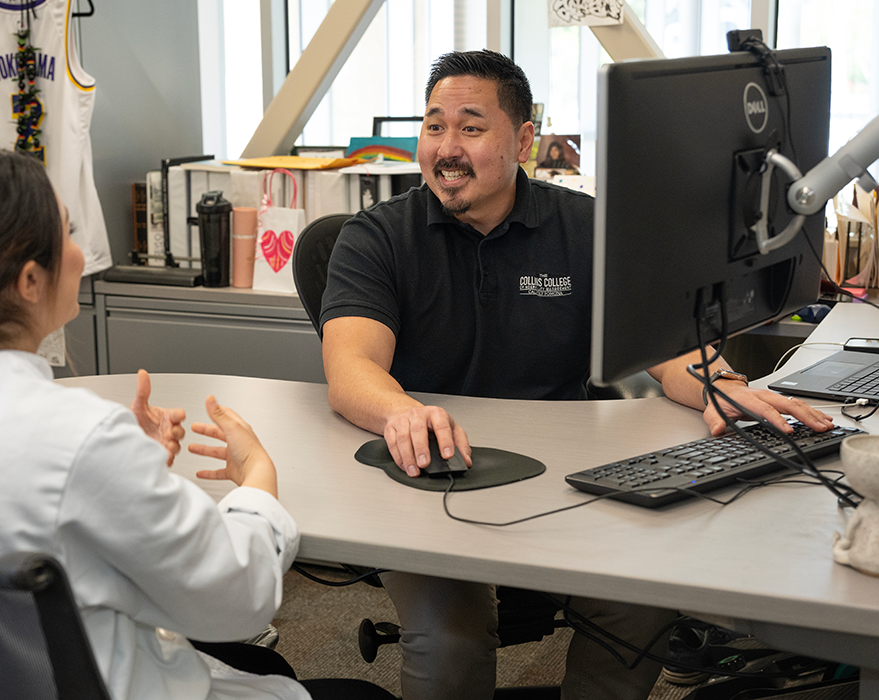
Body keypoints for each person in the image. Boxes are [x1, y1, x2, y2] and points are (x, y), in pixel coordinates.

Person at [319, 50, 835, 700]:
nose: (447, 149)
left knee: (643, 603)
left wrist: (725, 389)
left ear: (524, 139)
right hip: (431, 477)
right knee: (450, 638)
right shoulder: (377, 237)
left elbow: (667, 346)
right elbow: (351, 368)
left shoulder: (584, 230)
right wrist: (402, 413)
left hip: (559, 477)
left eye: (471, 128)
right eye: (434, 126)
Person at [0, 147, 394, 700]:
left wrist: (128, 469)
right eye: (65, 231)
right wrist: (258, 480)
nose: (78, 247)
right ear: (29, 281)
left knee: (264, 665)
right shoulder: (75, 436)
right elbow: (239, 599)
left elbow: (10, 500)